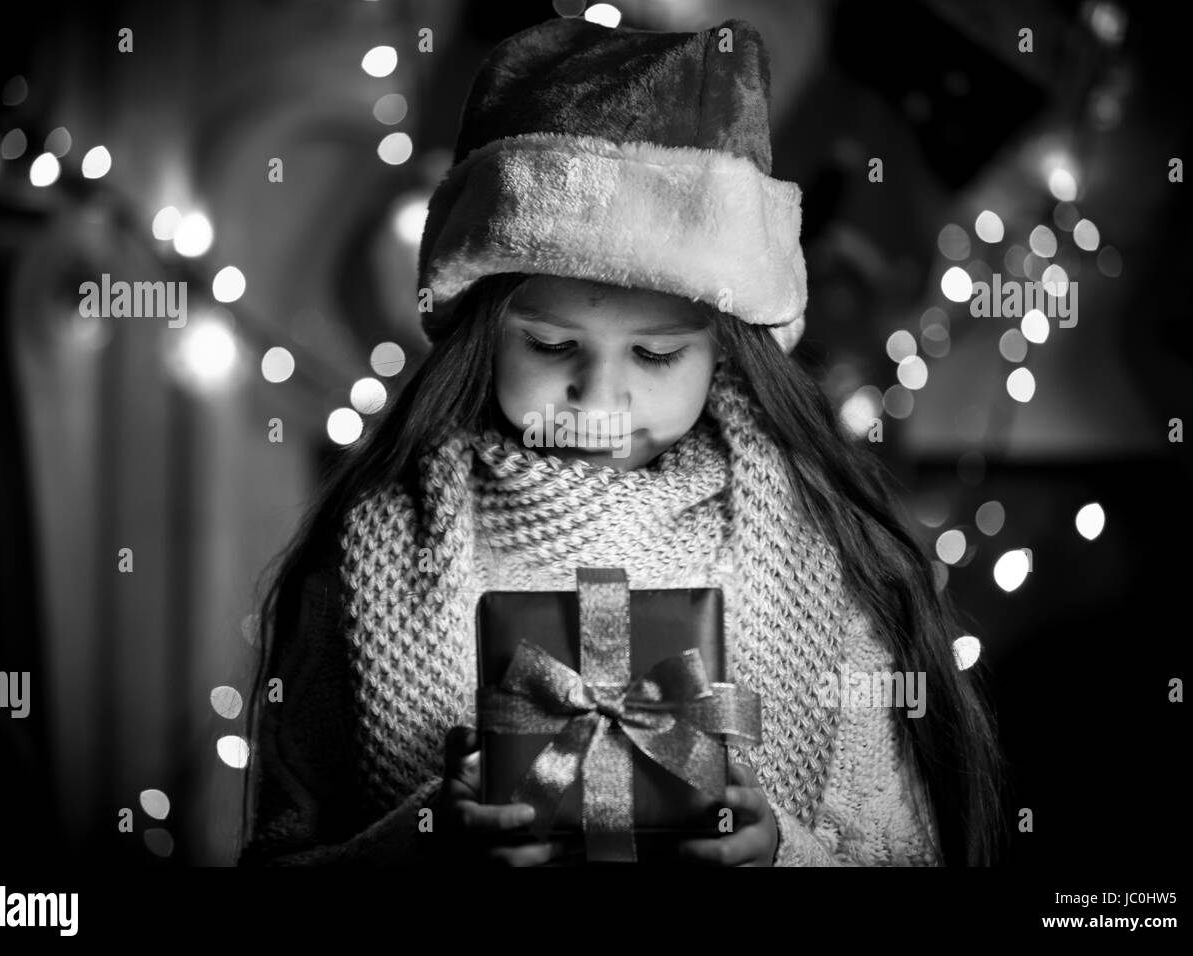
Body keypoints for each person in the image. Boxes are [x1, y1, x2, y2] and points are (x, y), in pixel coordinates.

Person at [239, 16, 1004, 867]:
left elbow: (904, 857)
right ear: (481, 335)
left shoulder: (822, 557)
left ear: (726, 349)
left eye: (656, 352)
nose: (599, 397)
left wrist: (778, 854)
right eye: (552, 345)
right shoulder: (366, 560)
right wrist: (423, 845)